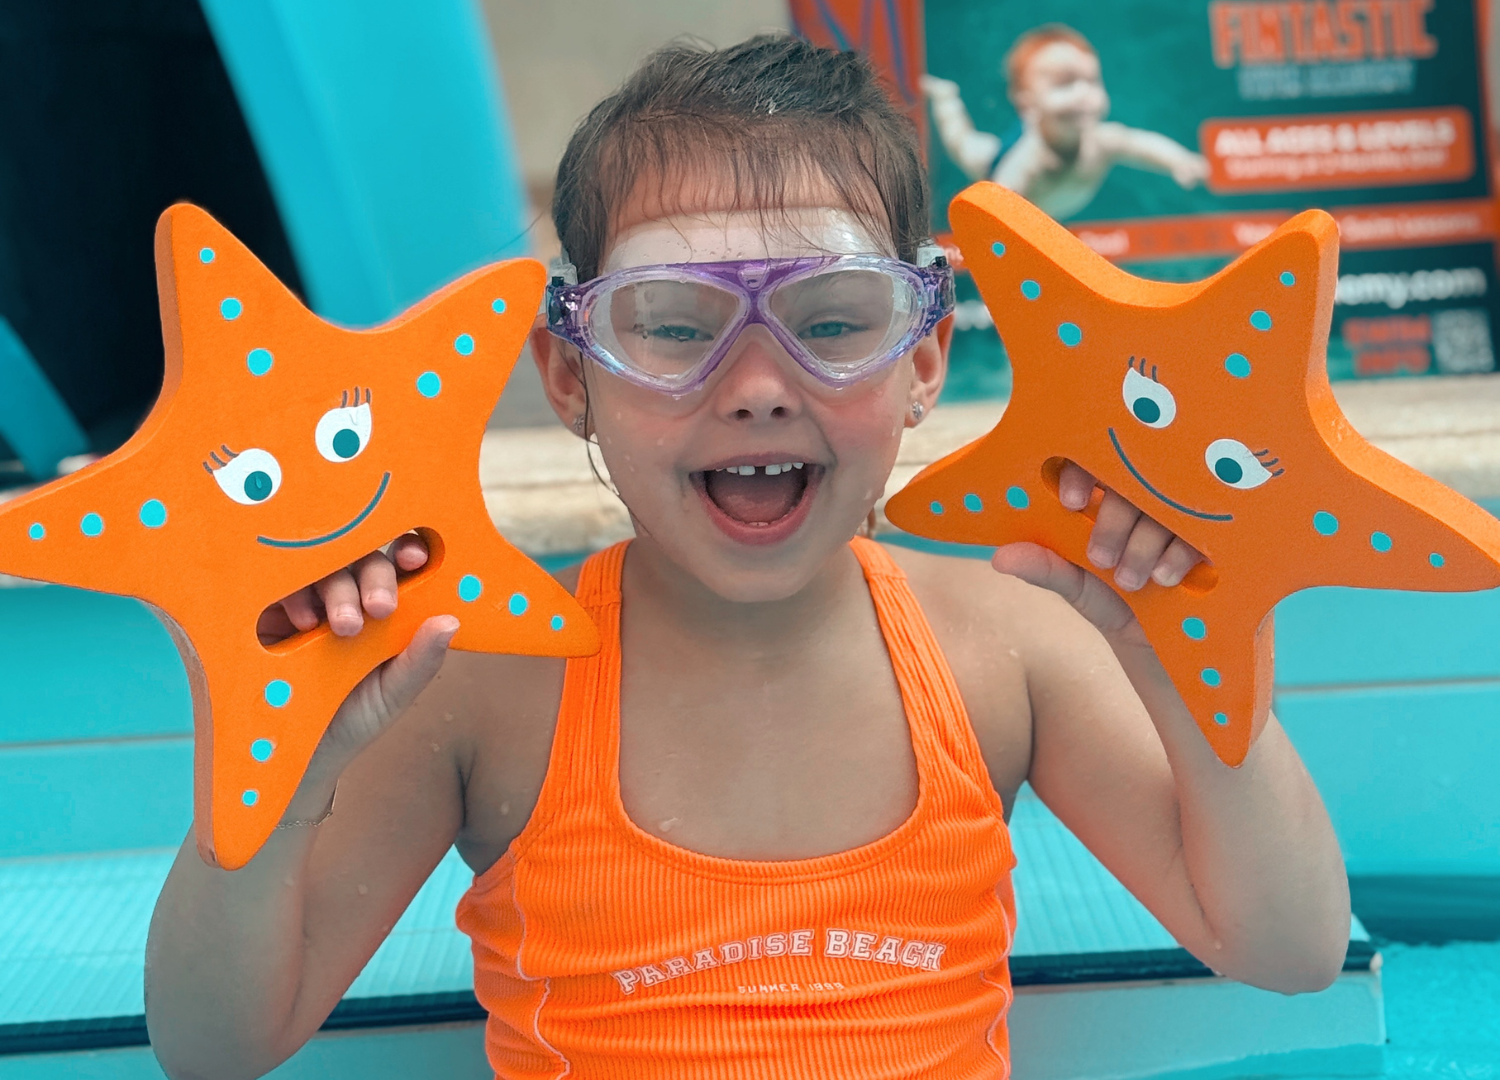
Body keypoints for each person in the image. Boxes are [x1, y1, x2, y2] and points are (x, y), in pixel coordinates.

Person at [145, 34, 1349, 1080]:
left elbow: (1290, 951)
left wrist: (1191, 671)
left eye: (833, 322)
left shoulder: (1007, 649)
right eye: (672, 328)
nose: (760, 388)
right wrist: (280, 772)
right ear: (574, 375)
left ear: (923, 361)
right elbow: (219, 1042)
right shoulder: (488, 687)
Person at [923, 24, 1210, 221]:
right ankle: (945, 97)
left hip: (1056, 200)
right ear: (1026, 103)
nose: (1084, 94)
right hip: (994, 162)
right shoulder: (1026, 164)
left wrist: (1179, 160)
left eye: (1092, 81)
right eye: (1065, 84)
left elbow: (1141, 144)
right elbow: (998, 213)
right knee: (965, 145)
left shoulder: (1101, 141)